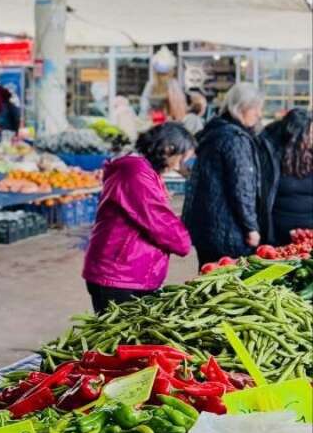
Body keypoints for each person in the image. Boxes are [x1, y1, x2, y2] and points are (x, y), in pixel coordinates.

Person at [81, 124, 194, 311]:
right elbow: (160, 222)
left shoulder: (142, 169)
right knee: (120, 337)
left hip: (128, 274)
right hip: (119, 276)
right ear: (168, 149)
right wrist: (183, 237)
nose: (178, 165)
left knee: (131, 337)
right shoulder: (136, 172)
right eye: (181, 158)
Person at [182, 81, 266, 267]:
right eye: (256, 109)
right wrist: (251, 227)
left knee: (208, 277)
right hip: (229, 230)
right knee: (228, 288)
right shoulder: (235, 139)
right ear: (242, 108)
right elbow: (241, 186)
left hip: (207, 227)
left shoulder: (214, 131)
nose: (259, 114)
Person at [260, 108, 313, 246]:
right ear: (297, 134)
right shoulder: (271, 156)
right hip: (280, 234)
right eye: (310, 132)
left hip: (309, 235)